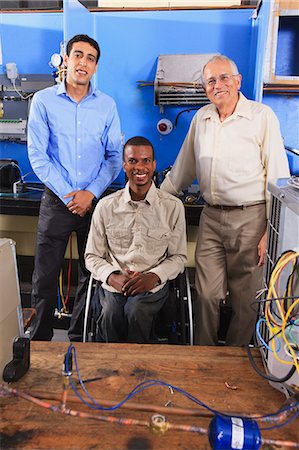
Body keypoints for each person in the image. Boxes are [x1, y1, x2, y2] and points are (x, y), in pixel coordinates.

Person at [160, 55, 290, 346]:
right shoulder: (201, 119)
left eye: (223, 78)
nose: (217, 85)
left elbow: (277, 177)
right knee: (206, 293)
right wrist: (156, 202)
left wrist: (270, 231)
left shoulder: (261, 116)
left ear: (238, 80)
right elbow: (183, 168)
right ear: (204, 87)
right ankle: (204, 358)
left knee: (246, 301)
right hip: (212, 218)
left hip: (252, 219)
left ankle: (235, 363)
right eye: (210, 81)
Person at [27, 34, 122, 341]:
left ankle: (79, 338)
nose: (83, 62)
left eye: (90, 58)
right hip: (57, 201)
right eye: (78, 55)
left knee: (90, 274)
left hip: (94, 201)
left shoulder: (107, 106)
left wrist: (90, 193)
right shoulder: (43, 101)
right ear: (66, 60)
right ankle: (38, 341)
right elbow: (38, 157)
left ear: (95, 67)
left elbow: (114, 157)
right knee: (44, 276)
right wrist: (71, 195)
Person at [84, 136, 187, 343]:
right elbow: (92, 256)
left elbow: (179, 258)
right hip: (114, 283)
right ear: (124, 165)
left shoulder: (172, 207)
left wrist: (153, 277)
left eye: (145, 160)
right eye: (132, 161)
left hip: (153, 284)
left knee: (136, 311)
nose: (139, 167)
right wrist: (112, 276)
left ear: (153, 165)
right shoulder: (106, 206)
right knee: (111, 313)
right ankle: (111, 368)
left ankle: (140, 369)